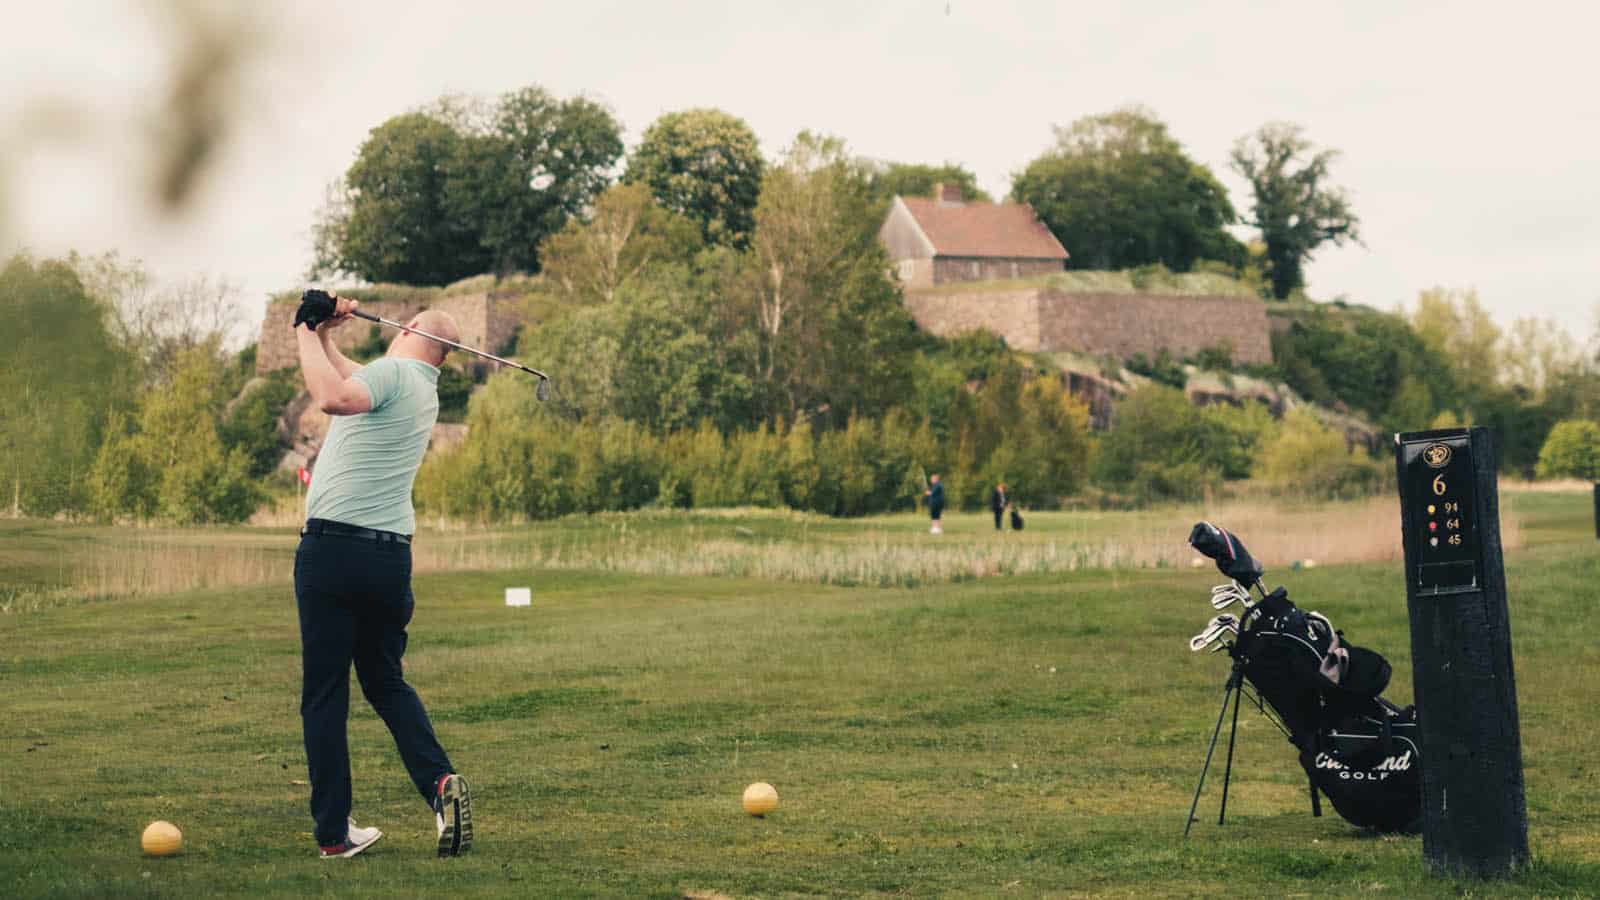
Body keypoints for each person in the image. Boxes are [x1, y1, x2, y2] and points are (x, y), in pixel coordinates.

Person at [292, 289, 473, 860]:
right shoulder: (416, 387)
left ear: (411, 326)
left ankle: (333, 834)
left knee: (324, 694)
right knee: (385, 682)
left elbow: (331, 395)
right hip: (389, 557)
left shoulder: (396, 371)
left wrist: (300, 327)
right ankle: (439, 783)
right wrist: (325, 332)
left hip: (334, 550)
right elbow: (347, 372)